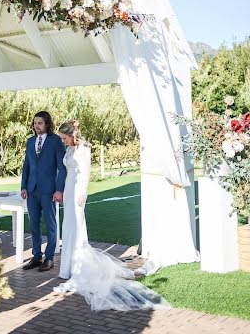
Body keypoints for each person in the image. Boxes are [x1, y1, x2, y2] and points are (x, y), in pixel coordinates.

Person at [54, 120, 170, 311]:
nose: (63, 141)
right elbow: (67, 172)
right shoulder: (69, 150)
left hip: (77, 191)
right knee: (67, 228)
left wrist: (82, 191)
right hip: (68, 189)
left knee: (76, 228)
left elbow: (85, 173)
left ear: (72, 135)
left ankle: (78, 267)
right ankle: (66, 268)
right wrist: (64, 191)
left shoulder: (84, 149)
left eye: (64, 138)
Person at [21, 111, 66, 272]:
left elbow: (62, 167)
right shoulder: (30, 141)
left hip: (49, 190)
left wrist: (59, 189)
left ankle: (49, 258)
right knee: (33, 224)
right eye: (34, 123)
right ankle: (36, 256)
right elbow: (26, 165)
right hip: (32, 190)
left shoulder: (55, 141)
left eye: (39, 123)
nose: (36, 126)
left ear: (47, 124)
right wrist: (23, 186)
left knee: (50, 224)